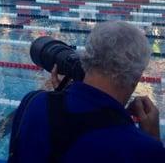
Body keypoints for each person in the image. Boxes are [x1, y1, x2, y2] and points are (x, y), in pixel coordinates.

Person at [9, 21, 165, 162]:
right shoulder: (142, 150)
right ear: (136, 78)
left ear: (87, 57)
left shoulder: (32, 103)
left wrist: (63, 96)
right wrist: (152, 139)